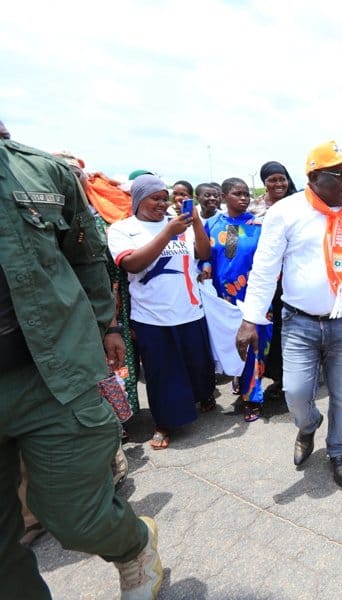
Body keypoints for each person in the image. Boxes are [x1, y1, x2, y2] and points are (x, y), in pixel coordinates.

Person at [1, 138, 161, 599]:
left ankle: (135, 545)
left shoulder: (43, 174)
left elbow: (88, 257)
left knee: (76, 517)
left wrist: (107, 325)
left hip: (51, 377)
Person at [237, 141, 342, 489]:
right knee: (297, 393)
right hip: (299, 323)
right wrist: (250, 319)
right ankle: (308, 425)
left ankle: (339, 449)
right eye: (339, 174)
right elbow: (265, 269)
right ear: (314, 177)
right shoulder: (285, 212)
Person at [107, 174, 215, 450]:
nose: (161, 203)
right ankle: (164, 423)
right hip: (152, 316)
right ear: (139, 199)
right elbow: (131, 264)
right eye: (155, 198)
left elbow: (203, 253)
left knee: (197, 365)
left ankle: (202, 397)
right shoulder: (123, 229)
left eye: (164, 198)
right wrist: (168, 232)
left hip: (189, 310)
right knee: (161, 373)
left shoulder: (180, 224)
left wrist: (196, 223)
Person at [202, 177, 270, 422]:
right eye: (237, 194)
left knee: (254, 347)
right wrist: (206, 266)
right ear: (223, 197)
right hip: (223, 297)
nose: (243, 198)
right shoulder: (212, 224)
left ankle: (252, 398)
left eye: (246, 194)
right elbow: (206, 255)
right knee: (232, 344)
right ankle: (238, 378)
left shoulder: (258, 225)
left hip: (254, 296)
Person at [249, 160, 299, 402]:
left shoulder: (298, 204)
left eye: (282, 178)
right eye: (272, 179)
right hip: (265, 277)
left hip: (291, 277)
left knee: (286, 328)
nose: (278, 183)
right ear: (264, 183)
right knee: (263, 329)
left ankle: (285, 378)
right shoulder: (253, 208)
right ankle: (261, 377)